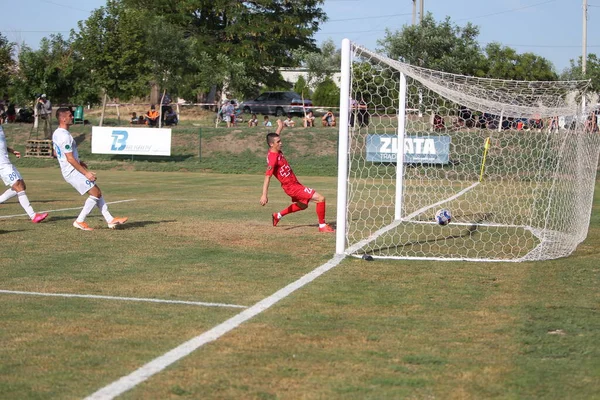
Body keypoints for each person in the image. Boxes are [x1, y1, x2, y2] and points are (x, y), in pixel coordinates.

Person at [52, 107, 128, 231]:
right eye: (70, 115)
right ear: (63, 118)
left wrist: (78, 161)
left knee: (97, 192)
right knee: (95, 193)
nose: (73, 117)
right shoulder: (63, 136)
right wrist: (86, 173)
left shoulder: (57, 133)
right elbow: (69, 158)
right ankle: (80, 221)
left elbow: (56, 152)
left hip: (72, 168)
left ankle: (110, 220)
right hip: (72, 171)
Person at [260, 119, 334, 232]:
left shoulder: (274, 149)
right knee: (320, 198)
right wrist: (264, 195)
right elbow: (267, 177)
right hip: (291, 187)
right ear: (272, 144)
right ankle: (322, 226)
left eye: (280, 141)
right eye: (278, 142)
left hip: (294, 184)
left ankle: (277, 216)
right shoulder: (273, 159)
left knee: (303, 205)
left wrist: (280, 126)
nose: (281, 143)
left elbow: (276, 136)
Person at [0, 123, 48, 223]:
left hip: (6, 162)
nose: (2, 118)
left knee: (21, 185)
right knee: (18, 186)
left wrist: (12, 151)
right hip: (2, 165)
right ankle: (33, 215)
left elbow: (2, 145)